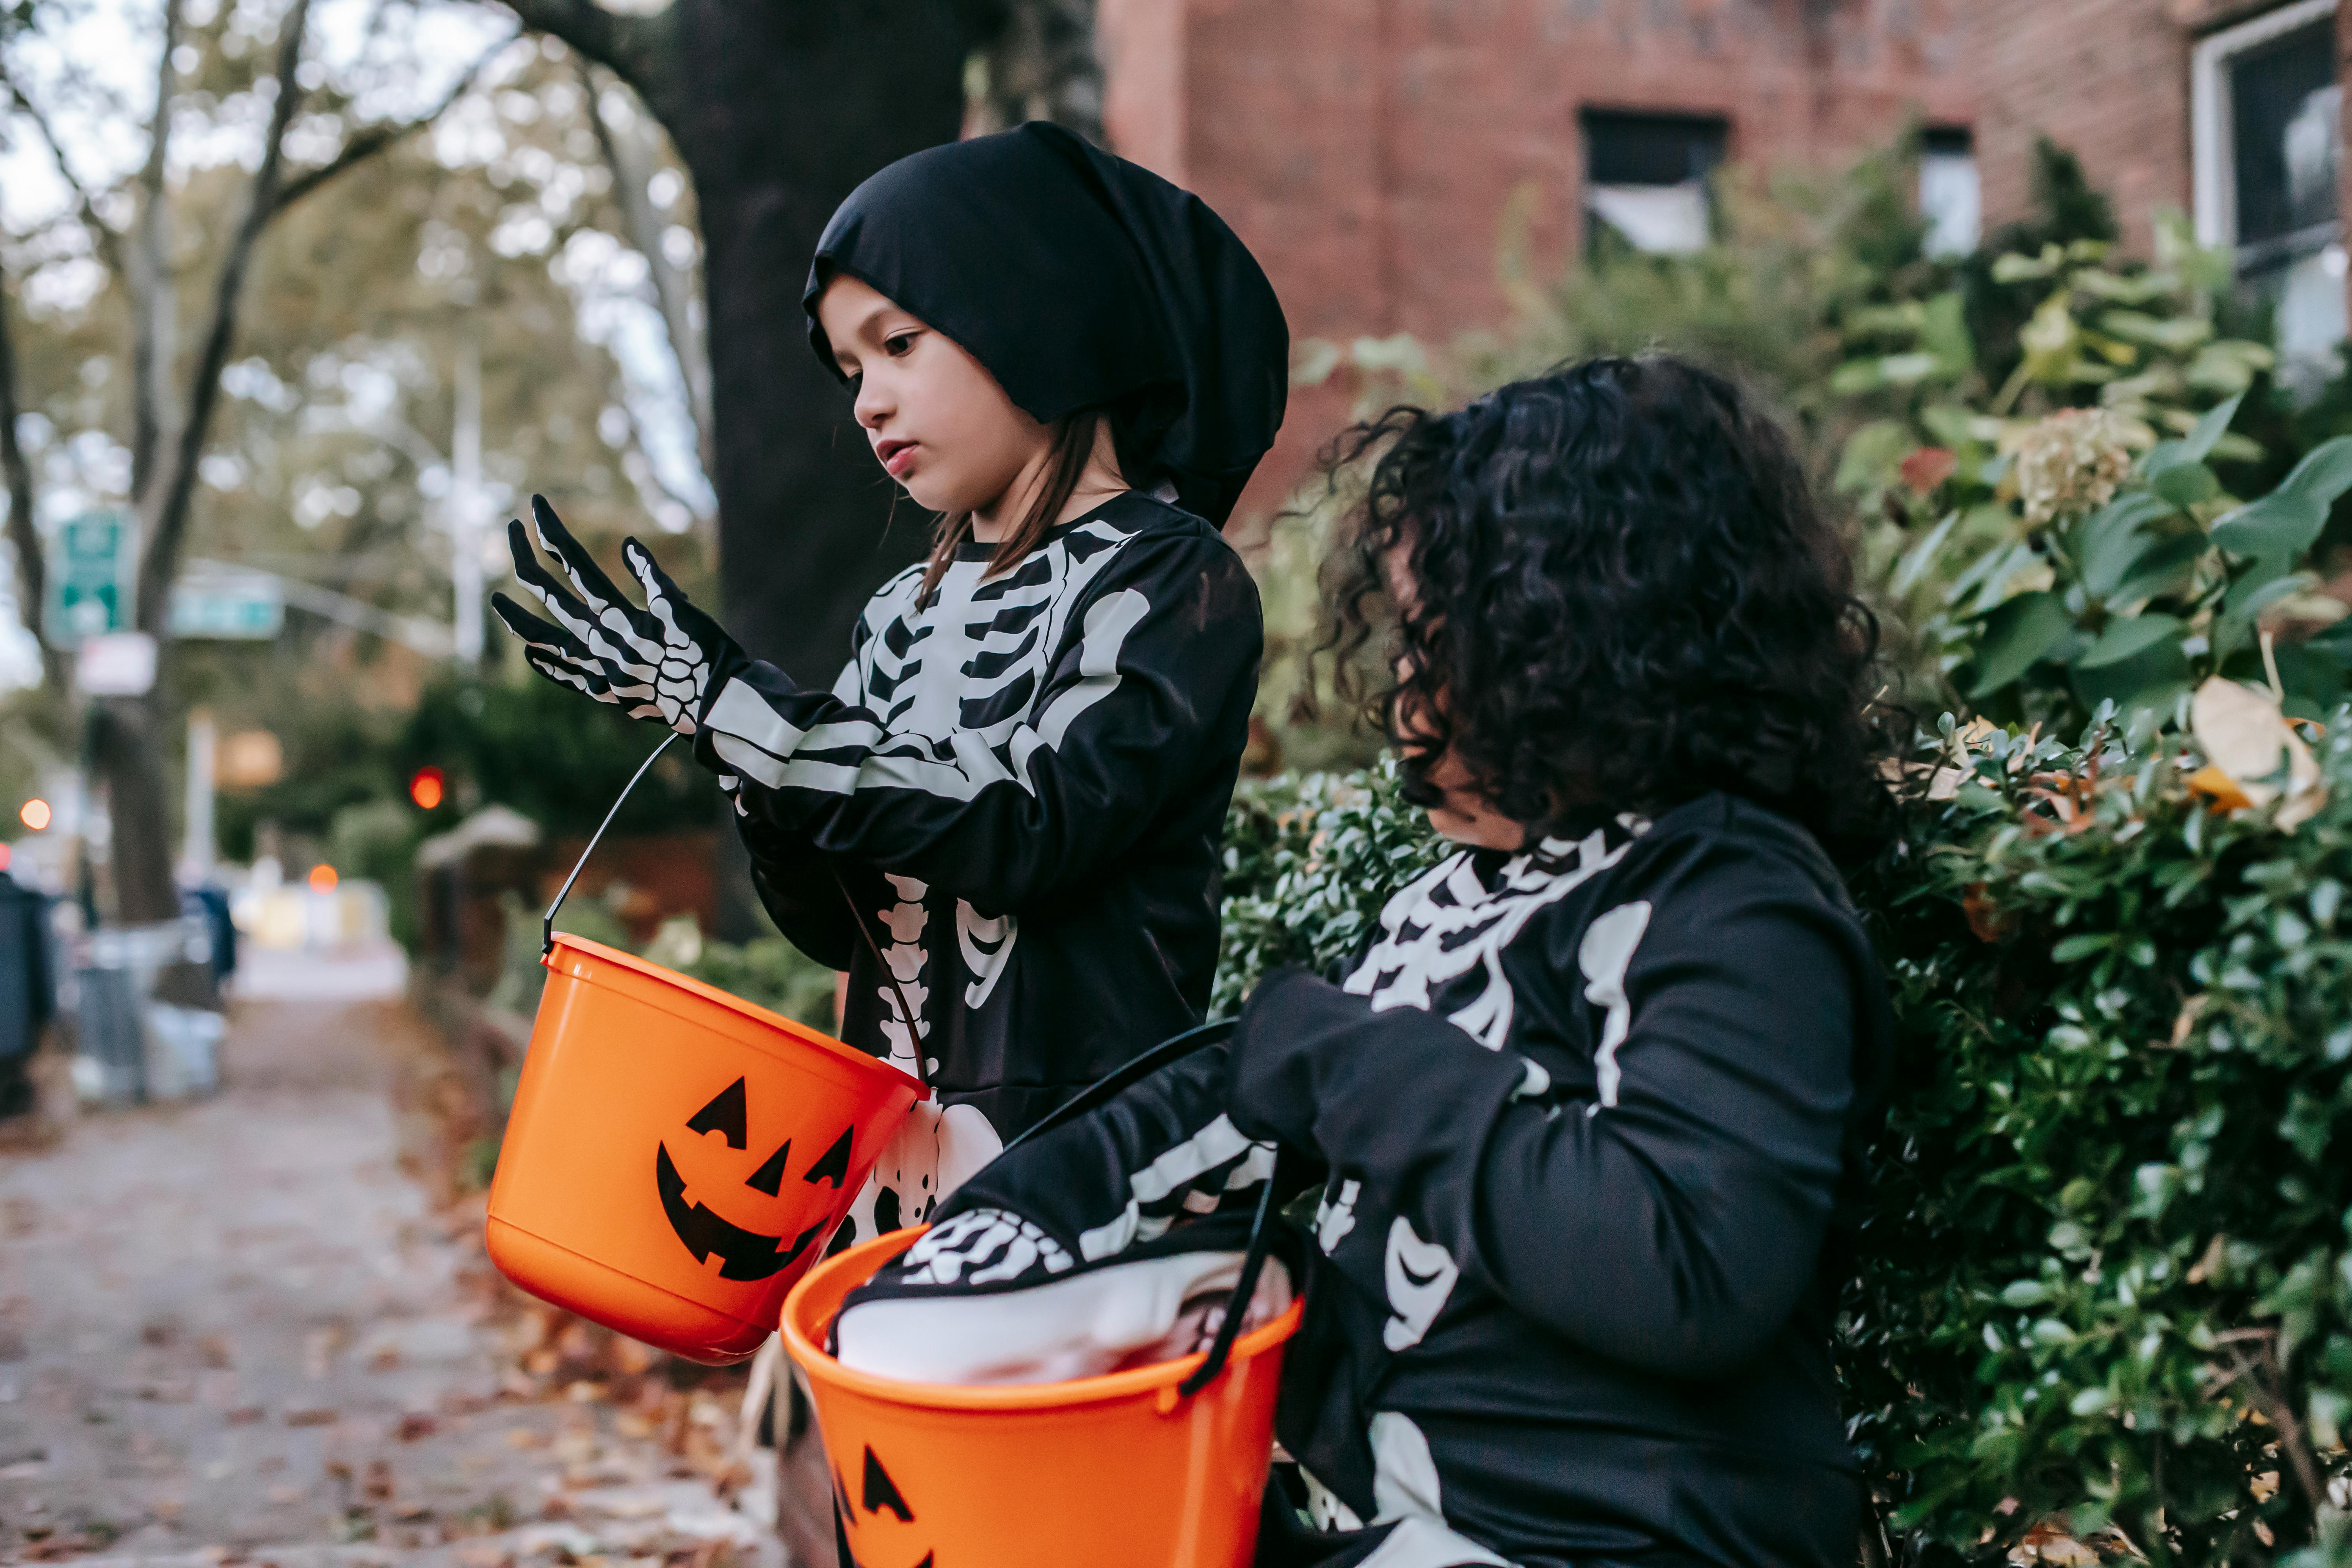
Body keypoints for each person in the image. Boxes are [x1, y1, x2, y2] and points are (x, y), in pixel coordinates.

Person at [834, 355, 1899, 1568]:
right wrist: (1013, 1223)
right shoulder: (1470, 888)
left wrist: (1350, 1065)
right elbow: (1251, 1086)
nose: (1404, 690)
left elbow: (1691, 1262)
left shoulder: (1733, 902)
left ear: (1588, 649)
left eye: (1440, 643)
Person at [491, 122, 1288, 1254]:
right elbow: (833, 922)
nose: (867, 402)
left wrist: (742, 715)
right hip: (882, 1198)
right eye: (853, 369)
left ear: (1038, 314)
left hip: (1085, 1201)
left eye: (900, 343)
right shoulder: (899, 614)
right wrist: (739, 755)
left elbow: (1032, 823)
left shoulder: (1173, 582)